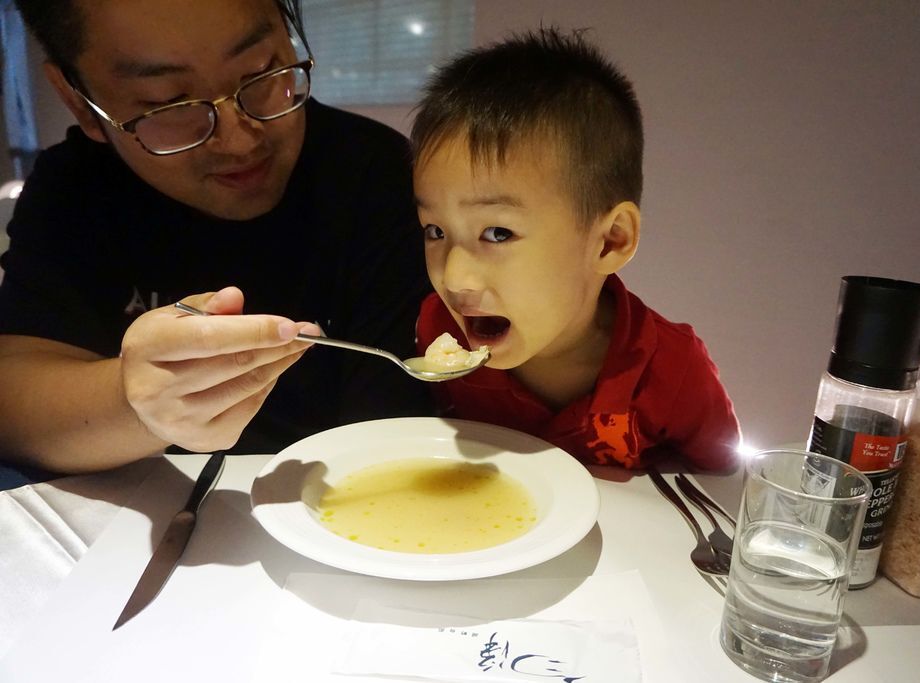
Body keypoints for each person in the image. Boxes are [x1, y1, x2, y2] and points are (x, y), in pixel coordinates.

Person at [0, 0, 432, 477]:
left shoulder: (375, 173)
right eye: (167, 103)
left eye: (261, 71)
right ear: (79, 101)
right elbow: (15, 402)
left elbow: (394, 421)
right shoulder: (73, 189)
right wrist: (135, 402)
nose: (241, 140)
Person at [411, 28, 741, 471]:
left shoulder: (671, 368)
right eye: (435, 230)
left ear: (610, 241)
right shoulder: (437, 332)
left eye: (498, 233)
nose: (454, 278)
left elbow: (720, 484)